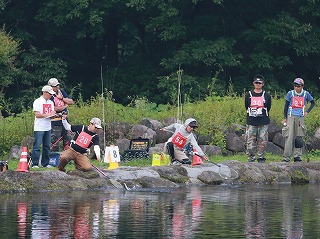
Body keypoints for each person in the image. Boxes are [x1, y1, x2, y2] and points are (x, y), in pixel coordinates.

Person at [282, 78, 315, 162]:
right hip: (290, 116)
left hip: (300, 117)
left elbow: (313, 102)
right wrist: (285, 118)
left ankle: (297, 156)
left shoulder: (306, 94)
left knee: (299, 136)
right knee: (289, 136)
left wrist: (307, 111)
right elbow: (286, 106)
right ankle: (286, 157)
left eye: (298, 86)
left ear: (302, 86)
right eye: (295, 86)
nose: (297, 88)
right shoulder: (290, 93)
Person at [245, 75, 271, 163]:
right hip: (251, 121)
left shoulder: (266, 95)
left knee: (263, 140)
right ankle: (251, 158)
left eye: (259, 83)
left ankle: (261, 157)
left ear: (263, 84)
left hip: (263, 121)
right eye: (256, 83)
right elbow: (246, 106)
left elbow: (268, 107)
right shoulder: (249, 94)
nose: (258, 84)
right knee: (250, 141)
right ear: (253, 84)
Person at [31, 85, 57, 168]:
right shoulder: (37, 101)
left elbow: (52, 114)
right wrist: (48, 115)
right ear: (45, 92)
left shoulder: (51, 102)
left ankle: (45, 163)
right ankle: (34, 163)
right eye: (50, 94)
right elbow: (37, 114)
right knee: (37, 146)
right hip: (39, 127)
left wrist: (56, 116)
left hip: (48, 126)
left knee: (47, 146)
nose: (51, 96)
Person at [48, 78, 74, 151]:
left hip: (65, 121)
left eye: (58, 85)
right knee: (55, 142)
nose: (57, 87)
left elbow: (71, 101)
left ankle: (66, 158)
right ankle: (55, 159)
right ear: (51, 87)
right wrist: (64, 106)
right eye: (55, 86)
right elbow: (53, 108)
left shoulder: (62, 92)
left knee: (68, 140)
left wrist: (62, 98)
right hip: (55, 122)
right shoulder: (49, 95)